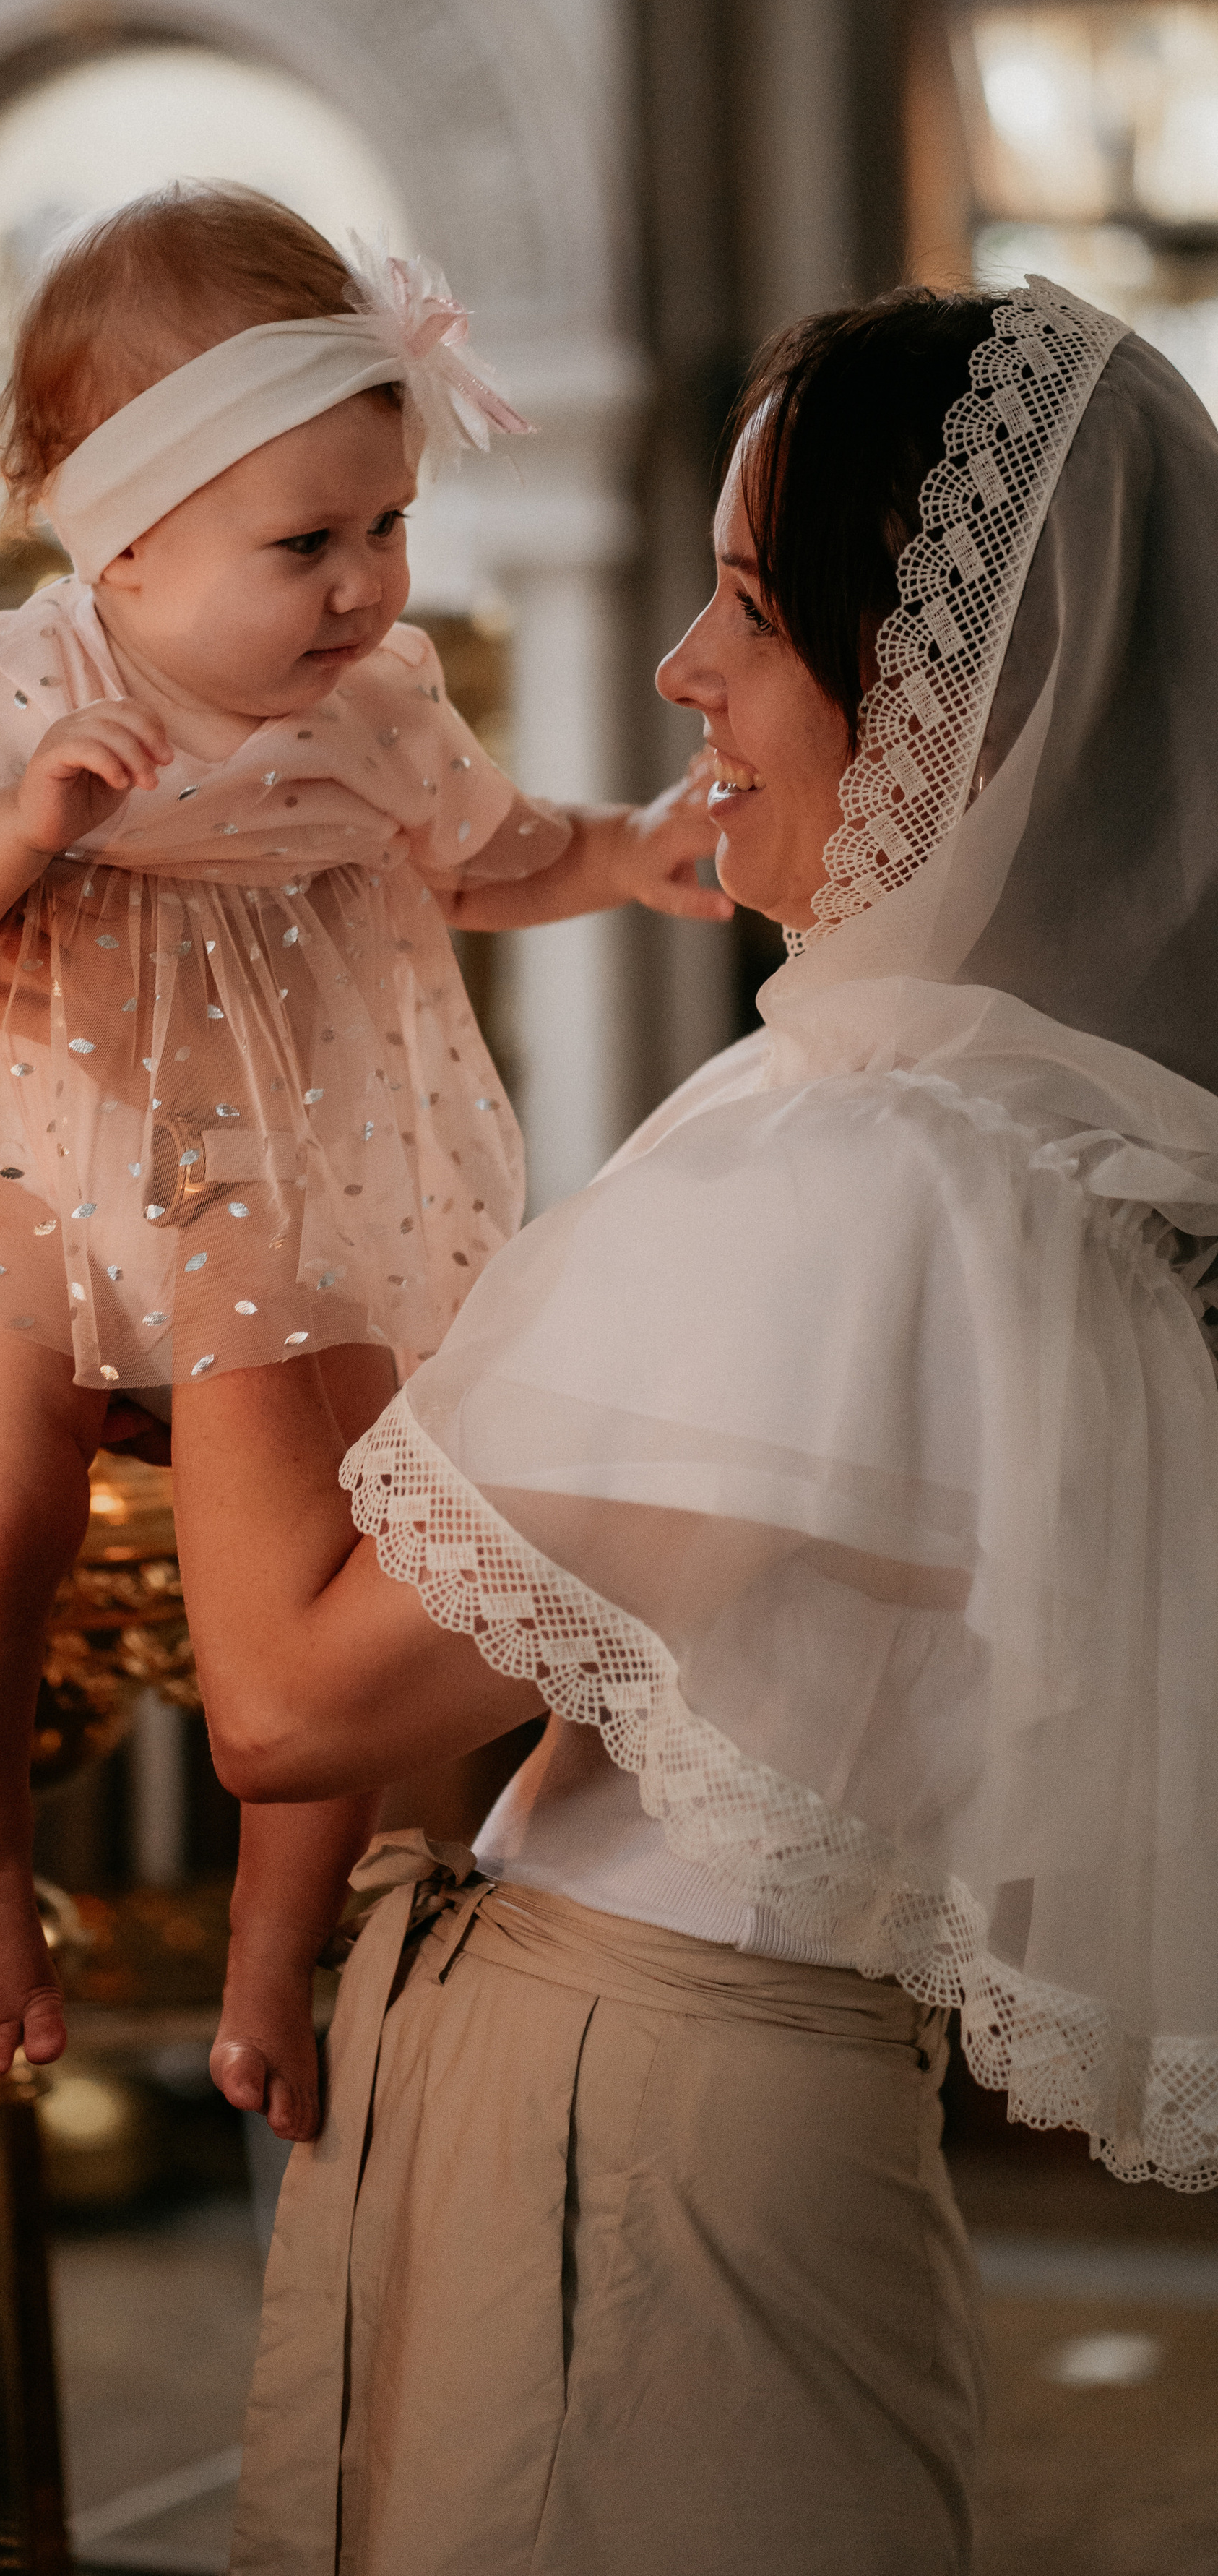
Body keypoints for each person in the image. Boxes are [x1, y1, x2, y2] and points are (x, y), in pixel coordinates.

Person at [176, 275, 1218, 2576]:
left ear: (940, 695)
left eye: (748, 608)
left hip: (634, 2159)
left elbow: (289, 1695)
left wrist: (209, 1138)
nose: (681, 674)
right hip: (664, 2118)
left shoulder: (867, 1174)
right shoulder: (979, 1133)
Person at [0, 183, 725, 2090]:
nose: (366, 582)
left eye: (387, 524)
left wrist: (621, 851)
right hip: (17, 1173)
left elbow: (480, 858)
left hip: (271, 1180)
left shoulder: (372, 702)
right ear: (120, 540)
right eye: (307, 542)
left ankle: (270, 1956)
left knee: (320, 1591)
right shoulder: (23, 687)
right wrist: (20, 827)